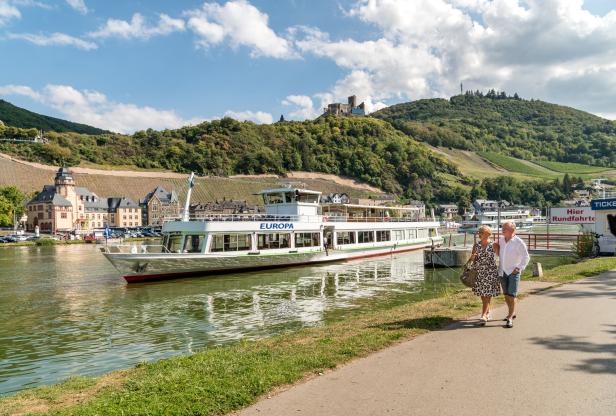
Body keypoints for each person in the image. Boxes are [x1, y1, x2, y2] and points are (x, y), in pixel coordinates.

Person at [498, 221, 530, 328]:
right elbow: (494, 246)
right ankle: (512, 312)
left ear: (512, 230)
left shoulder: (519, 242)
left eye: (504, 229)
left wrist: (519, 268)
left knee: (512, 295)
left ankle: (510, 317)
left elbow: (526, 257)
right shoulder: (501, 240)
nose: (502, 230)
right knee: (506, 295)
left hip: (513, 272)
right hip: (502, 271)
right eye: (502, 228)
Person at [470, 225, 500, 325]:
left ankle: (483, 315)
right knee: (483, 295)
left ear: (487, 233)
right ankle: (487, 313)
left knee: (487, 294)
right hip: (479, 272)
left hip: (490, 272)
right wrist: (473, 257)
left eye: (481, 232)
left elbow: (501, 257)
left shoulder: (494, 245)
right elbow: (472, 260)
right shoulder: (476, 245)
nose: (479, 234)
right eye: (479, 233)